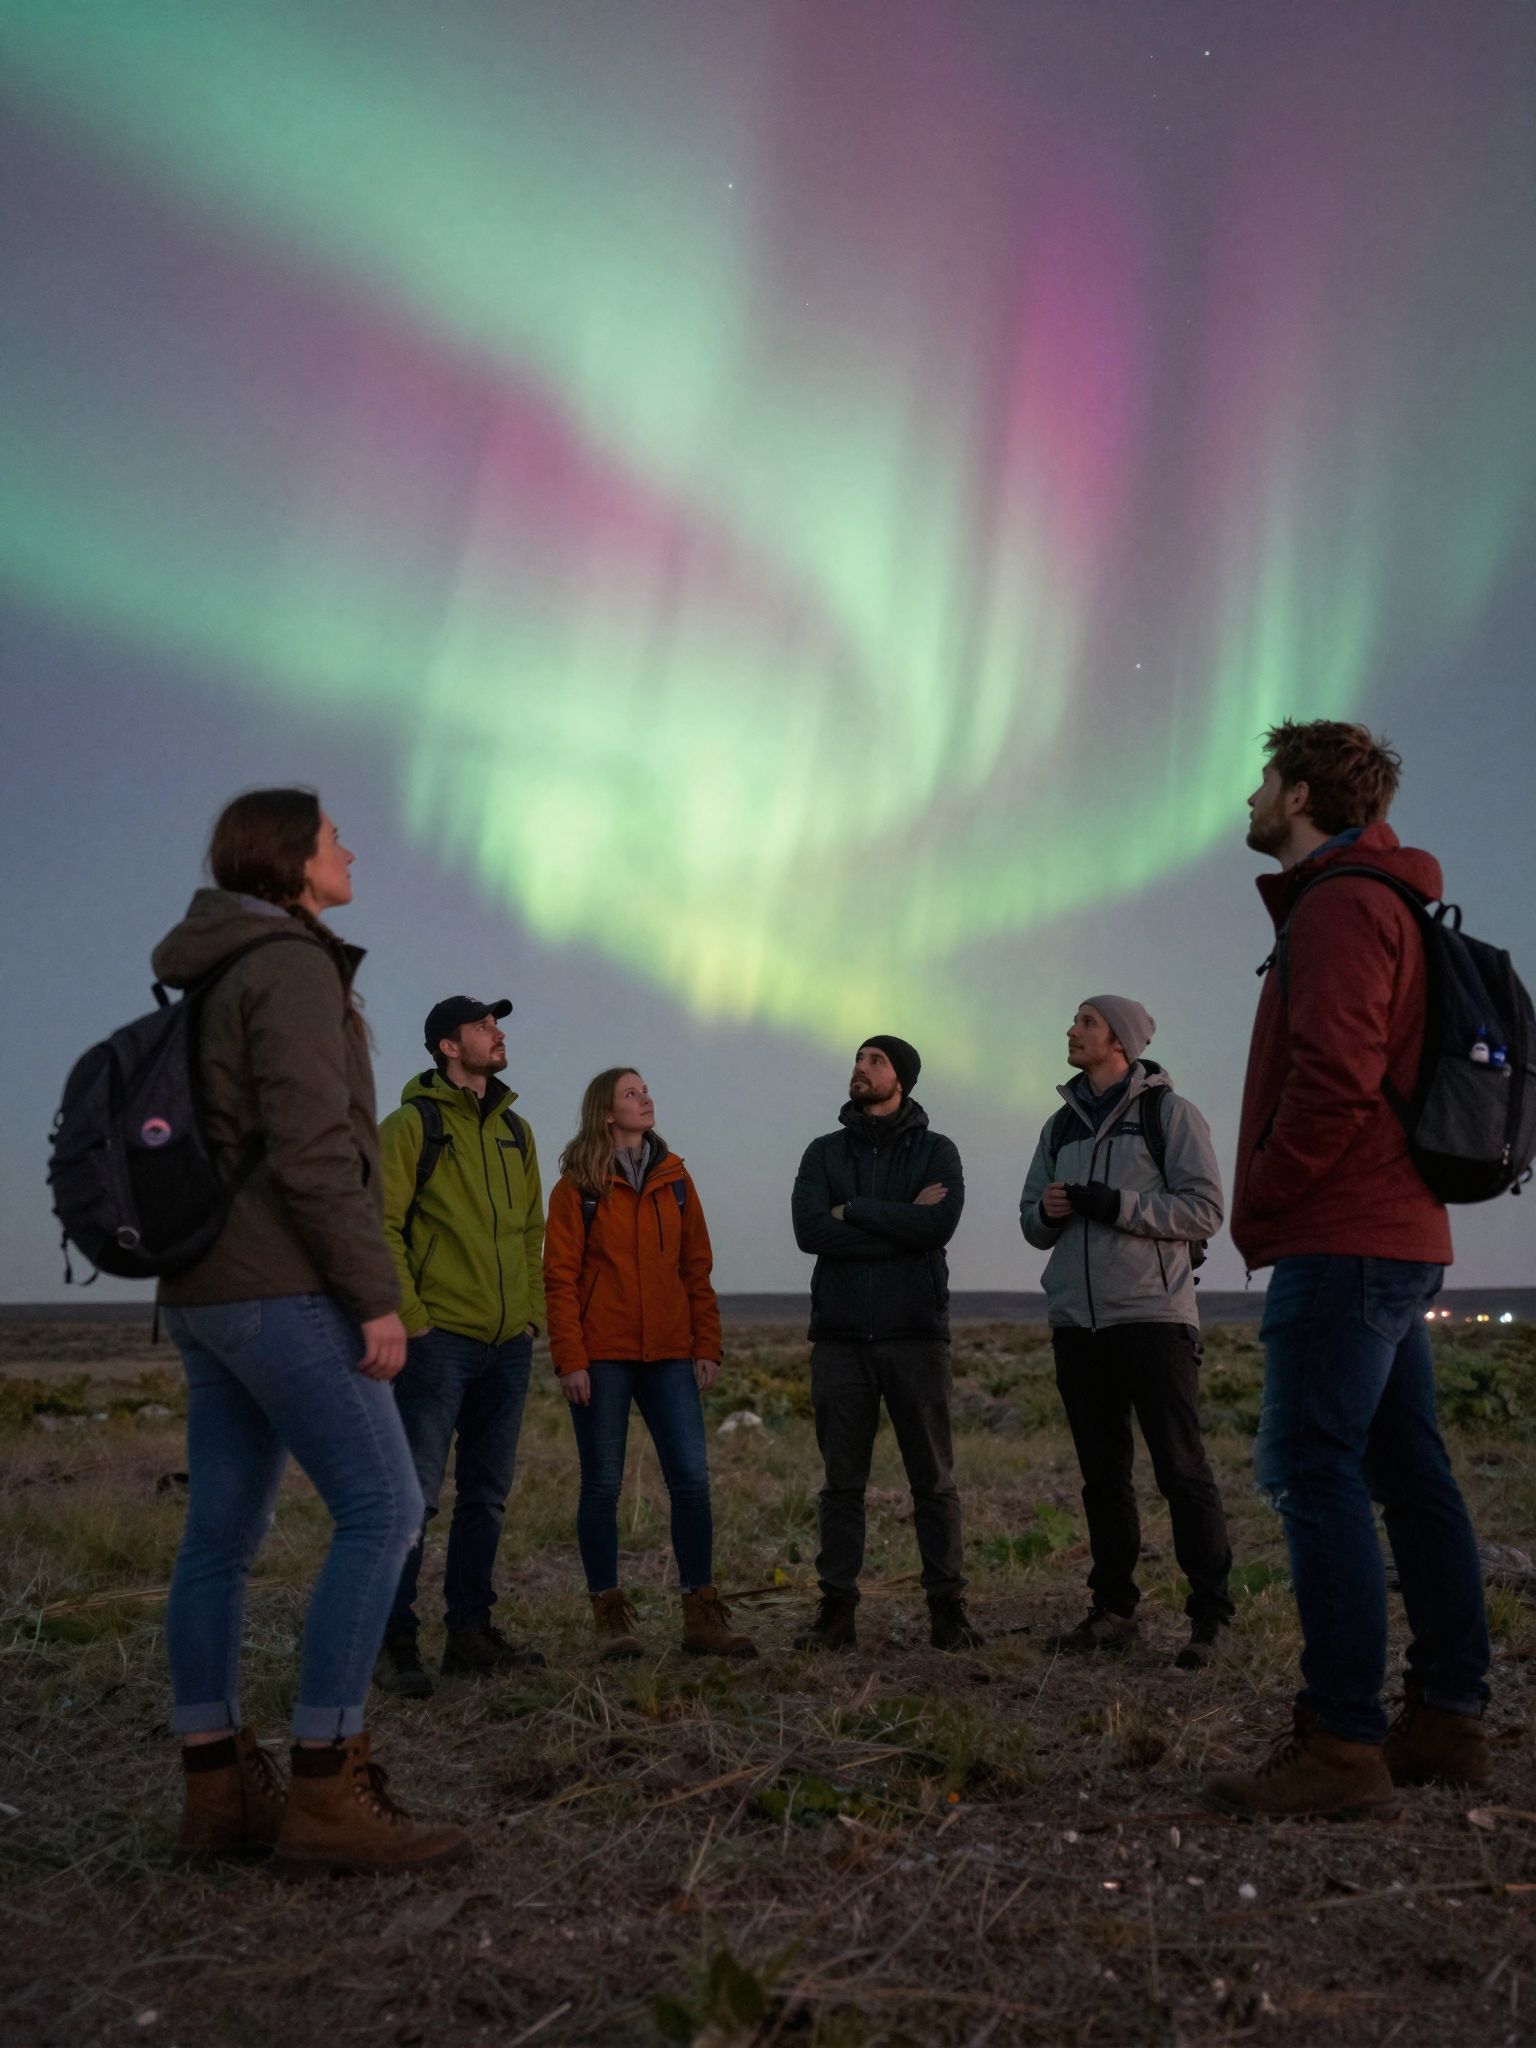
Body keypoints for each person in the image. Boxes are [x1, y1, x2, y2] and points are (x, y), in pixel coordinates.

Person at [154, 788, 465, 1874]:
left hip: (201, 1291)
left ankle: (218, 1788)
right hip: (282, 1286)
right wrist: (373, 1294)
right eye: (334, 837)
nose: (349, 849)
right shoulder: (287, 963)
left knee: (221, 1541)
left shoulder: (209, 967)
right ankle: (327, 1783)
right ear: (293, 860)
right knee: (383, 1506)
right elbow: (315, 1148)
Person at [1203, 720, 1492, 1820]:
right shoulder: (1381, 899)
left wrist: (1268, 1193)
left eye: (1265, 777)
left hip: (1346, 1234)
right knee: (1408, 1474)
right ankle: (1448, 1716)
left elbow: (1334, 1074)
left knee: (1308, 1467)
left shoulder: (1339, 904)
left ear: (1307, 793)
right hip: (1396, 1234)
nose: (1252, 793)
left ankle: (1341, 1742)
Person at [1020, 998, 1232, 1668]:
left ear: (1121, 1040)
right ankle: (1113, 1611)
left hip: (1153, 1316)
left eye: (1085, 1021)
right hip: (1077, 1325)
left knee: (1180, 1469)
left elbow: (1205, 1210)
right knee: (1102, 1476)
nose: (1071, 1030)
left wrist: (1119, 1205)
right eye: (1074, 1020)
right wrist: (1049, 1210)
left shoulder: (1169, 1115)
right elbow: (1030, 1221)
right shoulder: (1059, 1127)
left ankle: (1210, 1616)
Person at [543, 1068, 755, 1660]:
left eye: (646, 1091)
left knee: (691, 1482)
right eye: (632, 1094)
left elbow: (696, 1268)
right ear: (607, 1113)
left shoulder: (677, 1181)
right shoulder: (576, 1189)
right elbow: (558, 1279)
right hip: (602, 1355)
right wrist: (570, 1358)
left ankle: (701, 1615)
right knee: (603, 1485)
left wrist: (705, 1344)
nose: (647, 1099)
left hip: (669, 1354)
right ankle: (610, 1618)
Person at [373, 995, 548, 1698]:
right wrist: (413, 1317)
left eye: (497, 1024)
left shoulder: (518, 1132)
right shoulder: (410, 1127)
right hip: (437, 1339)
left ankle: (470, 1634)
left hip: (508, 1346)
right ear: (449, 1046)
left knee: (487, 1496)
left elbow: (532, 1232)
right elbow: (378, 1227)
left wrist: (530, 1315)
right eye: (483, 1027)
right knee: (412, 1496)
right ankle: (392, 1640)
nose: (497, 1034)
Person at [791, 1036, 980, 1652]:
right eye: (858, 1059)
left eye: (874, 1060)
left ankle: (947, 1610)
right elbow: (808, 1230)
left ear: (902, 1078)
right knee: (841, 1484)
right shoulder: (823, 1152)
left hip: (915, 1336)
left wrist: (857, 1211)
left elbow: (938, 1225)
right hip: (841, 1340)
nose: (860, 1068)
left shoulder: (936, 1150)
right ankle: (837, 1612)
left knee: (933, 1479)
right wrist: (898, 1224)